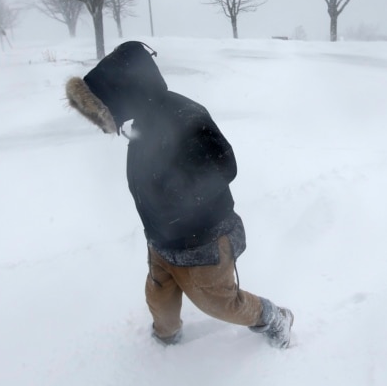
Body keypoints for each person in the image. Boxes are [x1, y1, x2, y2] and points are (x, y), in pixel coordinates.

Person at [65, 41, 294, 348]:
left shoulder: (185, 115)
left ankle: (273, 316)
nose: (109, 116)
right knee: (158, 296)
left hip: (201, 241)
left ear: (127, 93)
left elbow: (224, 164)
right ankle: (167, 336)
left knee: (220, 303)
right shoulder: (143, 123)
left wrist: (181, 196)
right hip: (161, 239)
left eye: (107, 104)